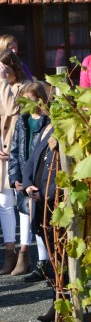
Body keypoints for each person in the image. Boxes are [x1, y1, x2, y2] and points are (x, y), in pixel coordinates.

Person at [9, 83, 51, 280]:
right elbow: (15, 150)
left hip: (39, 175)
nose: (26, 104)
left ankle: (46, 263)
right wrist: (14, 177)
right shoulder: (22, 120)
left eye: (30, 100)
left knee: (41, 221)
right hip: (24, 176)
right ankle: (40, 263)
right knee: (29, 218)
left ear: (40, 99)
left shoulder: (48, 120)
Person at [22, 120, 60, 321]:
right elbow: (32, 160)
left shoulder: (71, 129)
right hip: (41, 205)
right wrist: (27, 184)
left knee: (61, 258)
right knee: (54, 258)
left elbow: (70, 175)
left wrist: (46, 193)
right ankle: (57, 303)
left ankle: (64, 305)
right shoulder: (48, 129)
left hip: (57, 206)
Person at [0, 50, 31, 276]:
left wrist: (3, 82)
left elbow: (12, 109)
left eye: (4, 67)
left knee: (22, 202)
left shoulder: (24, 87)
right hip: (1, 149)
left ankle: (24, 252)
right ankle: (9, 252)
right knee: (4, 203)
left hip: (17, 150)